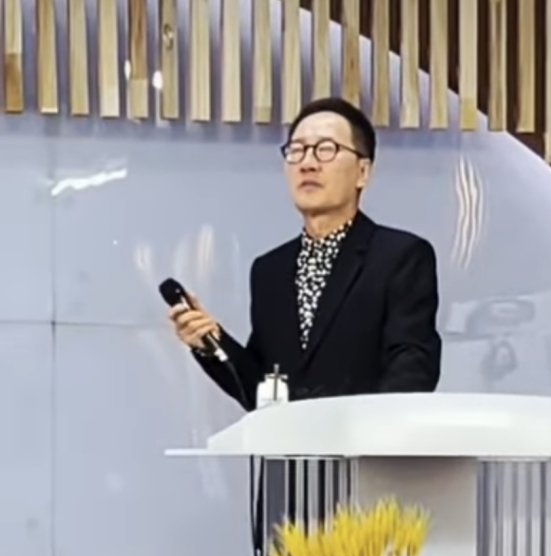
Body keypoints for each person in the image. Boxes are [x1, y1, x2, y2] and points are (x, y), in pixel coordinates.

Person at [169, 97, 442, 407]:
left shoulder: (400, 257)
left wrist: (362, 430)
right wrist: (210, 341)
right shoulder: (270, 271)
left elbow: (412, 369)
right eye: (296, 150)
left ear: (363, 172)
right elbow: (261, 387)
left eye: (326, 149)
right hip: (291, 440)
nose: (308, 163)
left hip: (365, 437)